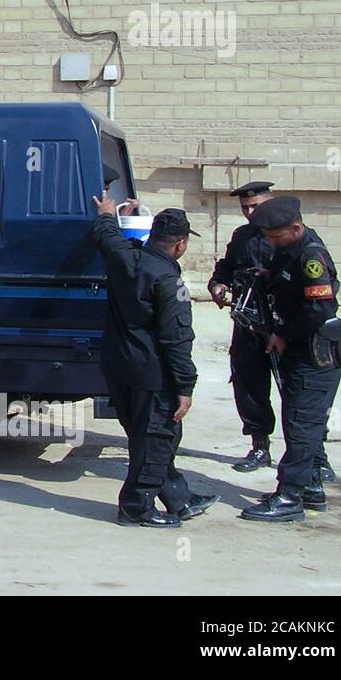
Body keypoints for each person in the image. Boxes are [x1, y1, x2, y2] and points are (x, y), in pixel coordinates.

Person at [91, 196, 219, 527]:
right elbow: (176, 340)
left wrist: (108, 213)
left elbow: (107, 236)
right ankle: (136, 509)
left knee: (143, 436)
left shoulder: (124, 257)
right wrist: (185, 387)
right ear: (181, 244)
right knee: (159, 438)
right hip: (151, 374)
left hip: (118, 367)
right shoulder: (170, 281)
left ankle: (179, 498)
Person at [241, 196, 341, 523]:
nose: (270, 243)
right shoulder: (292, 250)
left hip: (314, 355)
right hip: (301, 353)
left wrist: (283, 334)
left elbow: (320, 309)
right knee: (301, 422)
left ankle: (289, 498)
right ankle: (310, 486)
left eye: (274, 237)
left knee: (301, 425)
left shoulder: (312, 256)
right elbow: (288, 281)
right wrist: (268, 273)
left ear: (295, 228)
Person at [206, 180, 277, 472]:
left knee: (297, 391)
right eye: (245, 208)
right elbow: (226, 265)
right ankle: (260, 447)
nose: (250, 213)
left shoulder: (291, 234)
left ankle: (314, 456)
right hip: (248, 323)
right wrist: (217, 284)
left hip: (284, 326)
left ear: (270, 202)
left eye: (255, 206)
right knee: (248, 384)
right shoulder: (242, 236)